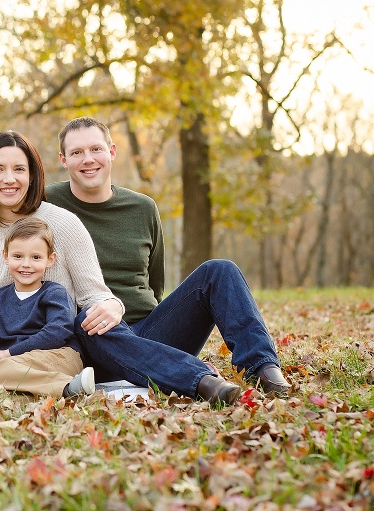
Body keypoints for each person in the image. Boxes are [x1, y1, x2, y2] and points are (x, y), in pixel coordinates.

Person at [0, 129, 240, 405]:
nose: (9, 179)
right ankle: (59, 385)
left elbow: (94, 293)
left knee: (90, 321)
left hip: (54, 350)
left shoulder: (63, 223)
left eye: (19, 169)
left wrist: (112, 305)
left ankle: (207, 378)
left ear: (33, 176)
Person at [45, 116, 291, 398]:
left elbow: (154, 283)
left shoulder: (142, 208)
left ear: (112, 152)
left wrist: (126, 310)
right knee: (89, 319)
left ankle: (264, 369)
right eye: (77, 153)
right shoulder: (47, 203)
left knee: (220, 270)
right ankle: (203, 381)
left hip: (152, 333)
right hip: (97, 343)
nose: (88, 159)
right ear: (64, 160)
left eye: (96, 149)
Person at [0, 217, 95, 397]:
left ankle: (66, 386)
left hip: (59, 357)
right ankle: (67, 391)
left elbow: (58, 332)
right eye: (18, 256)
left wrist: (7, 354)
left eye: (36, 257)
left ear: (50, 259)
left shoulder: (54, 293)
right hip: (17, 364)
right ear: (5, 256)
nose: (26, 264)